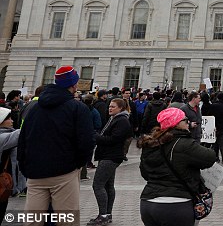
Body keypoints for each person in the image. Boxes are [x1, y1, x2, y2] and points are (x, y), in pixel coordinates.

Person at [18, 65, 96, 213]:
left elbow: (23, 138)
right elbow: (87, 142)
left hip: (35, 172)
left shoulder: (34, 107)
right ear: (73, 84)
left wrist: (25, 166)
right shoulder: (77, 108)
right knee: (66, 219)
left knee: (33, 220)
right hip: (64, 172)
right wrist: (77, 165)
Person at [138, 106, 217, 226]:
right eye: (185, 120)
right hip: (176, 204)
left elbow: (145, 173)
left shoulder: (151, 143)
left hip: (148, 203)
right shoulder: (184, 143)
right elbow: (210, 157)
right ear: (176, 123)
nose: (188, 123)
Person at [88, 97, 133, 225]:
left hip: (111, 156)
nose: (110, 108)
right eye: (109, 106)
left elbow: (114, 140)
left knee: (98, 184)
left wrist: (96, 137)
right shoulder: (114, 119)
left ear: (121, 108)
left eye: (113, 106)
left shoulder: (122, 121)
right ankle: (107, 214)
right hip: (108, 155)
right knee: (108, 185)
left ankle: (103, 215)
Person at [0, 107, 21, 215]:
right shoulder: (2, 137)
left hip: (5, 184)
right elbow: (21, 135)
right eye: (9, 119)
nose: (12, 121)